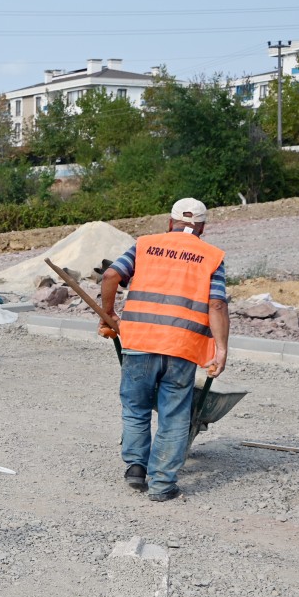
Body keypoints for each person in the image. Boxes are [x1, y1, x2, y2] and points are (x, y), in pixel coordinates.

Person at [100, 197, 229, 502]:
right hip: (182, 348)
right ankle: (161, 485)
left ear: (170, 222)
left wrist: (109, 315)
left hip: (139, 341)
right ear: (201, 228)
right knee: (174, 416)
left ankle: (135, 467)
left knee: (136, 408)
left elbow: (110, 276)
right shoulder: (212, 256)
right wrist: (221, 349)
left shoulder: (144, 245)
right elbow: (217, 303)